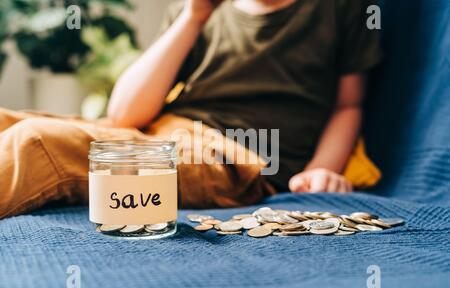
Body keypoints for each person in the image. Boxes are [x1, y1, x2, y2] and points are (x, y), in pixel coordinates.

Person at [0, 0, 382, 219]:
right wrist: (193, 17)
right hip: (158, 132)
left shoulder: (342, 9)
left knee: (34, 144)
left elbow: (348, 105)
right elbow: (123, 116)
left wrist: (322, 168)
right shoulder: (200, 12)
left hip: (232, 158)